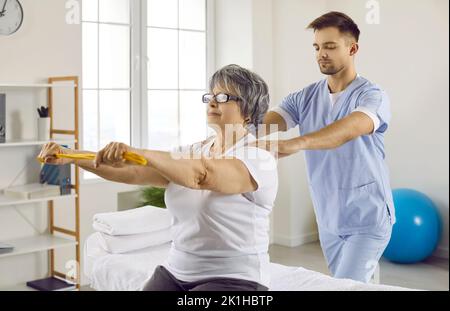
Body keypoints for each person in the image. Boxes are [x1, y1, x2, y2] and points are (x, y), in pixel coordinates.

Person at [38, 64, 278, 291]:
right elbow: (133, 172)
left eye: (224, 97)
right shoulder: (194, 151)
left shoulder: (258, 158)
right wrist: (72, 156)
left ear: (248, 111)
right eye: (211, 95)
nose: (213, 101)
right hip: (176, 271)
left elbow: (202, 175)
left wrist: (138, 152)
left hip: (234, 278)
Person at [260, 12, 395, 283]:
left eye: (330, 46)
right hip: (329, 219)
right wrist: (225, 134)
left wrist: (297, 143)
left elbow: (349, 128)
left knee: (343, 286)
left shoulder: (372, 95)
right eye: (317, 47)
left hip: (367, 218)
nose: (321, 53)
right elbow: (263, 125)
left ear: (352, 48)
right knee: (349, 284)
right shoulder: (304, 96)